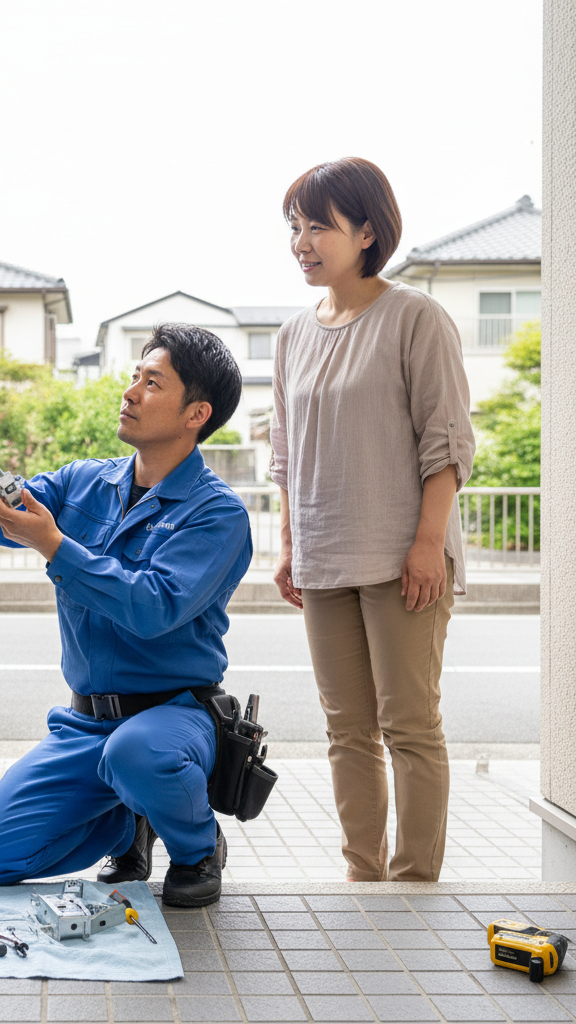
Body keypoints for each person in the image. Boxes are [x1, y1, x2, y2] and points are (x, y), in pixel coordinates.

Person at [0, 323, 252, 906]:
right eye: (135, 377)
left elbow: (153, 607)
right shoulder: (83, 482)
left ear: (197, 413)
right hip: (87, 726)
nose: (131, 392)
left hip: (172, 719)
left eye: (152, 383)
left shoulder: (217, 515)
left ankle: (197, 848)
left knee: (138, 753)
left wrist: (56, 546)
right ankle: (128, 821)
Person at [270, 157, 476, 882]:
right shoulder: (292, 335)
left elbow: (447, 441)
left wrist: (428, 544)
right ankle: (364, 877)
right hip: (324, 558)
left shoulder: (415, 316)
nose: (301, 242)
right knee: (346, 730)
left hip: (402, 557)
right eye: (295, 226)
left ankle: (413, 884)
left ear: (366, 231)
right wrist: (290, 544)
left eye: (318, 226)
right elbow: (287, 452)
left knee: (410, 725)